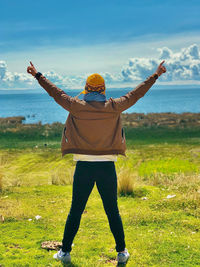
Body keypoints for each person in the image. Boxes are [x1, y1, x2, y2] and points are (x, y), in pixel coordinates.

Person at [27, 60, 166, 264]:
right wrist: (155, 75)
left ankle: (64, 253)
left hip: (83, 167)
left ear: (86, 89)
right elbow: (136, 94)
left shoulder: (76, 106)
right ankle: (121, 252)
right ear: (103, 90)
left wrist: (37, 75)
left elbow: (56, 93)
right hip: (107, 167)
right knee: (112, 211)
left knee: (75, 210)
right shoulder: (113, 106)